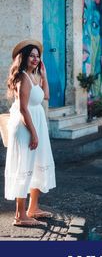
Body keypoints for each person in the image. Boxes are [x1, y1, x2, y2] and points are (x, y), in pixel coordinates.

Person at [4, 40, 56, 227]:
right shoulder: (22, 78)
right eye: (31, 55)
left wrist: (44, 75)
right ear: (24, 58)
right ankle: (20, 215)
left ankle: (33, 208)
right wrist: (34, 133)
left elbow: (46, 96)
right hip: (26, 126)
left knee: (38, 163)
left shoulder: (34, 76)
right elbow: (24, 109)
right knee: (24, 165)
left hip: (37, 123)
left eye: (37, 56)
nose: (35, 59)